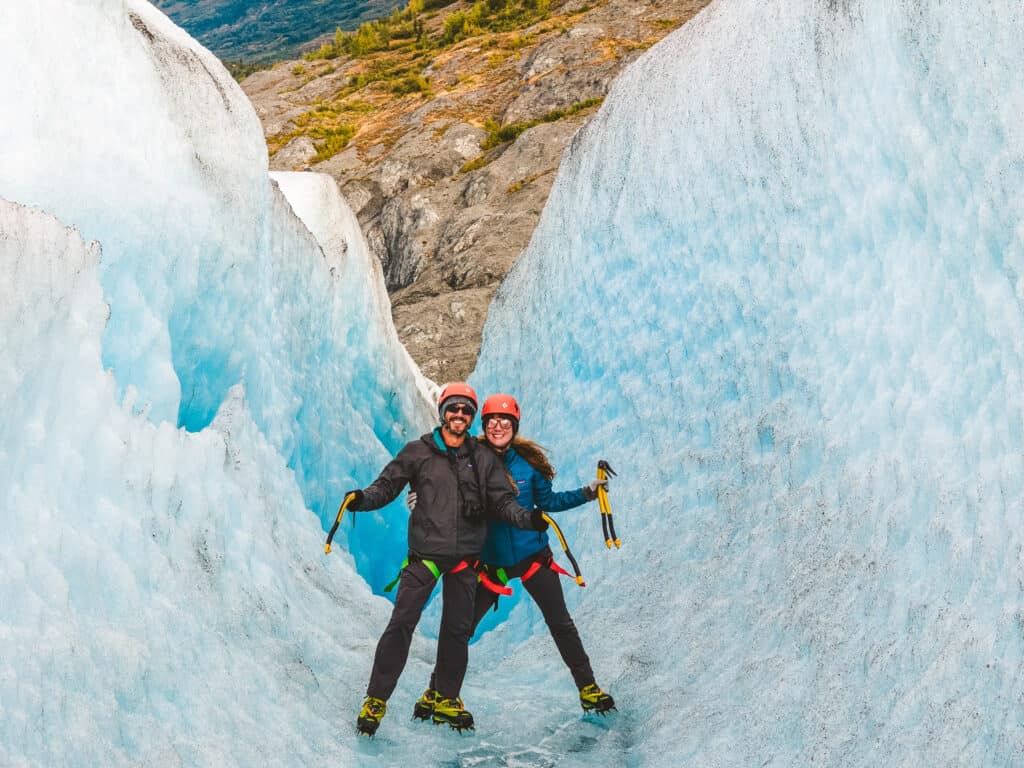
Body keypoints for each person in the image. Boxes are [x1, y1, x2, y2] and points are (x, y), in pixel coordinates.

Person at [346, 382, 548, 736]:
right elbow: (387, 485)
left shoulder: (482, 458)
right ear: (443, 413)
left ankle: (446, 697)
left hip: (466, 560)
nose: (459, 415)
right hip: (425, 557)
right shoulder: (417, 452)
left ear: (472, 417)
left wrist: (526, 517)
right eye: (453, 408)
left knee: (456, 632)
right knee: (401, 624)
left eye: (466, 410)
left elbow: (502, 501)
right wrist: (363, 499)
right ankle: (376, 698)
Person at [411, 393, 616, 720]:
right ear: (484, 424)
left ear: (514, 425)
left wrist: (588, 493)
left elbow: (549, 501)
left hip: (533, 557)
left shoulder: (528, 466)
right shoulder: (468, 461)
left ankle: (588, 688)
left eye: (504, 420)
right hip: (492, 566)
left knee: (561, 623)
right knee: (460, 629)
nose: (497, 426)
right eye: (492, 420)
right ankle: (436, 692)